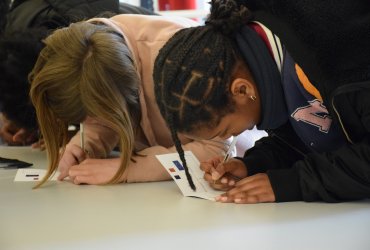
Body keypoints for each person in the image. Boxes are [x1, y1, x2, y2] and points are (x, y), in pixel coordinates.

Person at [153, 0, 370, 203]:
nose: (228, 137)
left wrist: (294, 183)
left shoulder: (340, 54)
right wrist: (251, 165)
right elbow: (308, 138)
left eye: (225, 129)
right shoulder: (270, 62)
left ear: (241, 89)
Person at [29, 14, 228, 188]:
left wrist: (128, 169)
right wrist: (86, 145)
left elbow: (216, 149)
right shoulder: (94, 61)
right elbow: (106, 108)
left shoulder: (187, 59)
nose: (94, 121)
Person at [0, 0, 154, 146]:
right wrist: (12, 116)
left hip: (154, 97)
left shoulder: (89, 44)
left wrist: (80, 136)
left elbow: (119, 109)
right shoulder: (15, 47)